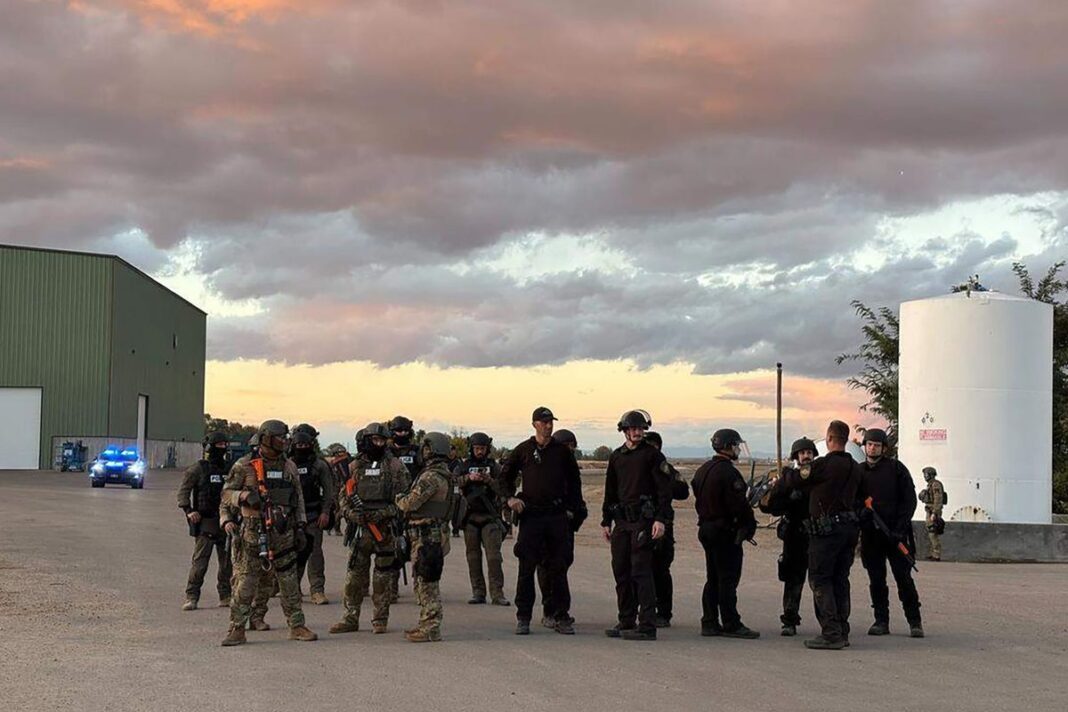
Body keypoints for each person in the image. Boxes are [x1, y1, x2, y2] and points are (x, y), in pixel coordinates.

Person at [219, 420, 317, 646]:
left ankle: (296, 625)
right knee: (245, 583)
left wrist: (301, 526)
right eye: (279, 437)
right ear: (266, 438)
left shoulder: (289, 466)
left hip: (284, 532)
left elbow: (298, 499)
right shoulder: (245, 465)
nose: (284, 441)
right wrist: (244, 496)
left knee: (289, 582)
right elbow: (226, 494)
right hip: (253, 532)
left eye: (285, 437)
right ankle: (237, 629)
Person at [501, 407, 585, 636]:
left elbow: (575, 482)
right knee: (526, 568)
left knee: (558, 568)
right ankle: (523, 617)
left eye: (550, 422)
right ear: (535, 424)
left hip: (556, 516)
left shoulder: (562, 452)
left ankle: (561, 615)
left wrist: (572, 509)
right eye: (544, 422)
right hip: (531, 516)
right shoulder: (523, 450)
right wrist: (509, 498)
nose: (548, 426)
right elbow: (505, 476)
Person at [782, 420, 865, 650]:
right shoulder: (855, 467)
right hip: (849, 530)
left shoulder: (823, 465)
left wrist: (786, 474)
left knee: (820, 579)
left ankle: (830, 633)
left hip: (826, 532)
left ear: (829, 439)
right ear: (846, 440)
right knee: (840, 579)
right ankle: (842, 630)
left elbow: (796, 479)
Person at [329, 423, 411, 635]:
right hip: (359, 530)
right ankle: (350, 618)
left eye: (382, 440)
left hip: (385, 530)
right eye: (375, 440)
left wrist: (384, 513)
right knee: (354, 578)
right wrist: (351, 514)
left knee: (383, 578)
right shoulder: (353, 467)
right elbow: (343, 498)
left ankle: (380, 620)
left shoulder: (395, 467)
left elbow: (405, 500)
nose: (379, 444)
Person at [601, 411, 674, 641]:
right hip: (622, 522)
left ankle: (647, 626)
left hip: (644, 521)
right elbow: (610, 491)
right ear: (624, 431)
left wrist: (660, 519)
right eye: (633, 429)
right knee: (621, 571)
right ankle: (626, 620)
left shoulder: (653, 456)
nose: (637, 432)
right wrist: (606, 520)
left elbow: (664, 491)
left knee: (641, 573)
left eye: (641, 428)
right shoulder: (616, 457)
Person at [691, 429, 760, 639]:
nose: (738, 449)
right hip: (725, 532)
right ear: (728, 447)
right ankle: (731, 623)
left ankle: (709, 621)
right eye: (736, 445)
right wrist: (748, 525)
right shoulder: (729, 473)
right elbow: (739, 505)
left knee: (712, 577)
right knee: (728, 579)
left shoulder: (703, 469)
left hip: (706, 528)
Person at [859, 428, 924, 638]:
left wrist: (899, 528)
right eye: (869, 444)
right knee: (877, 580)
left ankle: (915, 622)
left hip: (896, 536)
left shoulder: (896, 469)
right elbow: (852, 500)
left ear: (884, 448)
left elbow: (909, 500)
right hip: (871, 537)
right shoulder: (859, 472)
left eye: (877, 445)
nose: (872, 448)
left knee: (904, 579)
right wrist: (862, 515)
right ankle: (881, 621)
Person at [395, 432, 454, 642]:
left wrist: (399, 498)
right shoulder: (443, 473)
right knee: (422, 578)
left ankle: (430, 628)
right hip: (430, 532)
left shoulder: (431, 477)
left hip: (427, 534)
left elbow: (409, 503)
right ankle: (425, 624)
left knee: (427, 581)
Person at [759, 437, 817, 636]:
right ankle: (789, 621)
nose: (806, 456)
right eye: (802, 453)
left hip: (816, 534)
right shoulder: (788, 478)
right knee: (793, 581)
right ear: (796, 456)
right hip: (794, 535)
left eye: (809, 452)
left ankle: (828, 623)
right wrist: (786, 497)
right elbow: (770, 506)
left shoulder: (819, 476)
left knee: (819, 581)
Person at [177, 431, 233, 611]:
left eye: (224, 445)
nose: (222, 448)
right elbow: (183, 491)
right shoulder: (198, 469)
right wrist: (189, 511)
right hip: (206, 521)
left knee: (227, 564)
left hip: (226, 521)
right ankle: (192, 596)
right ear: (209, 447)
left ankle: (225, 595)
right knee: (200, 563)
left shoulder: (231, 469)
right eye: (219, 445)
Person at [534, 429, 583, 628]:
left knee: (562, 566)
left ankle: (560, 611)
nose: (569, 450)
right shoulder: (546, 467)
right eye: (565, 446)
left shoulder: (571, 470)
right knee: (546, 567)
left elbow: (578, 500)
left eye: (572, 446)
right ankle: (550, 611)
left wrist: (573, 514)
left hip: (565, 527)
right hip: (546, 524)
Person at [455, 432, 510, 606]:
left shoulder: (494, 467)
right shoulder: (463, 466)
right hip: (470, 518)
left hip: (490, 517)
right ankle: (478, 592)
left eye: (483, 448)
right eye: (477, 448)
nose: (480, 451)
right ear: (471, 448)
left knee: (494, 557)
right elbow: (452, 482)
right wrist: (468, 478)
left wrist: (488, 480)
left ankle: (497, 593)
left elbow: (504, 488)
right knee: (473, 558)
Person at [644, 431, 689, 628]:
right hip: (640, 523)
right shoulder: (636, 466)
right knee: (639, 570)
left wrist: (663, 484)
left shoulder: (667, 469)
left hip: (663, 525)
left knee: (661, 570)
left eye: (654, 446)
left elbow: (683, 491)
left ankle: (663, 612)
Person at [290, 425, 336, 605]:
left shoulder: (319, 465)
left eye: (305, 444)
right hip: (291, 516)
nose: (302, 448)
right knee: (292, 554)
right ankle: (293, 590)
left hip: (313, 515)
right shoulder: (287, 464)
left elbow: (329, 491)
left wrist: (325, 512)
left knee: (315, 553)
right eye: (298, 445)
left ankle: (317, 590)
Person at [919, 467, 946, 561]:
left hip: (933, 511)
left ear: (931, 475)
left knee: (933, 533)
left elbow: (938, 499)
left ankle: (936, 554)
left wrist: (935, 513)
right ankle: (933, 553)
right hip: (929, 511)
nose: (925, 476)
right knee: (930, 532)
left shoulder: (935, 484)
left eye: (926, 474)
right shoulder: (930, 484)